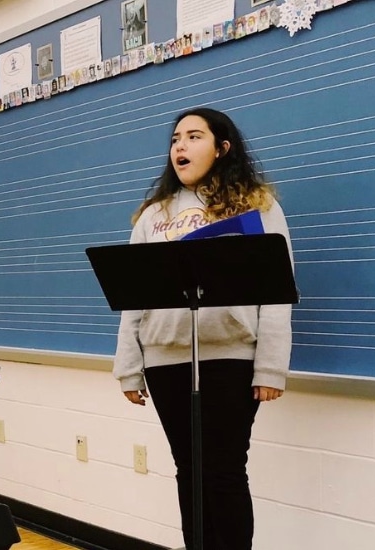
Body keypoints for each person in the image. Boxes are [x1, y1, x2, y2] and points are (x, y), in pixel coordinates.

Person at [113, 107, 292, 550]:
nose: (180, 147)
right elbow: (133, 300)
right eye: (175, 139)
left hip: (230, 359)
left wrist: (270, 367)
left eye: (194, 137)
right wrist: (128, 368)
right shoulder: (153, 216)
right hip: (165, 360)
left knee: (224, 470)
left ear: (222, 147)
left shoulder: (258, 206)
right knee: (188, 470)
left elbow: (277, 290)